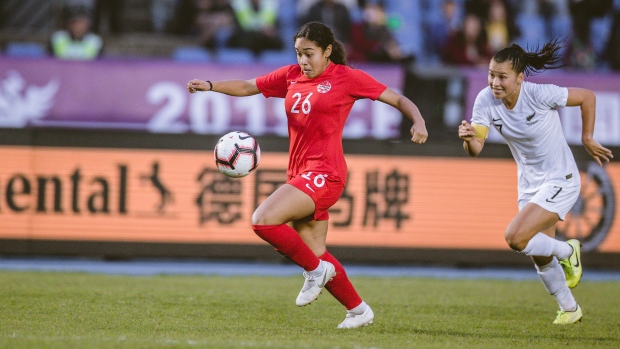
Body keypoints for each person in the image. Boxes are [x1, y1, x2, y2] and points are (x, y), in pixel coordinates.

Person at [187, 21, 428, 328]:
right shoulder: (290, 76)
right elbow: (249, 86)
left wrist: (417, 120)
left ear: (328, 51)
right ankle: (358, 310)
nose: (303, 60)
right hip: (300, 173)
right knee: (316, 252)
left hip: (326, 173)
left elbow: (397, 99)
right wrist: (211, 85)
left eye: (309, 53)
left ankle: (314, 272)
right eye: (299, 53)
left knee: (262, 220)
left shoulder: (346, 77)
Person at [458, 40, 613, 324]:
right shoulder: (484, 100)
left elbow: (587, 96)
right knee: (539, 253)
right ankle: (570, 308)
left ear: (520, 79)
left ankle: (569, 251)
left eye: (502, 76)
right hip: (529, 183)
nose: (495, 82)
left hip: (561, 179)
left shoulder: (539, 94)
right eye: (491, 74)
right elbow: (476, 147)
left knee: (516, 237)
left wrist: (587, 137)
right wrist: (469, 139)